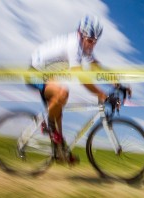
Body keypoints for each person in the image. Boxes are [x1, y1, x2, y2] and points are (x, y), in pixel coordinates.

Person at [25, 15, 107, 159]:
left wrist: (118, 84)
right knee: (63, 92)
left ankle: (60, 151)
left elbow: (97, 67)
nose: (92, 45)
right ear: (81, 35)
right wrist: (100, 93)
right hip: (34, 72)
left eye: (95, 42)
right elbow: (80, 77)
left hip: (46, 75)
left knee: (58, 111)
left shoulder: (85, 47)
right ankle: (49, 128)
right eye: (89, 40)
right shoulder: (74, 44)